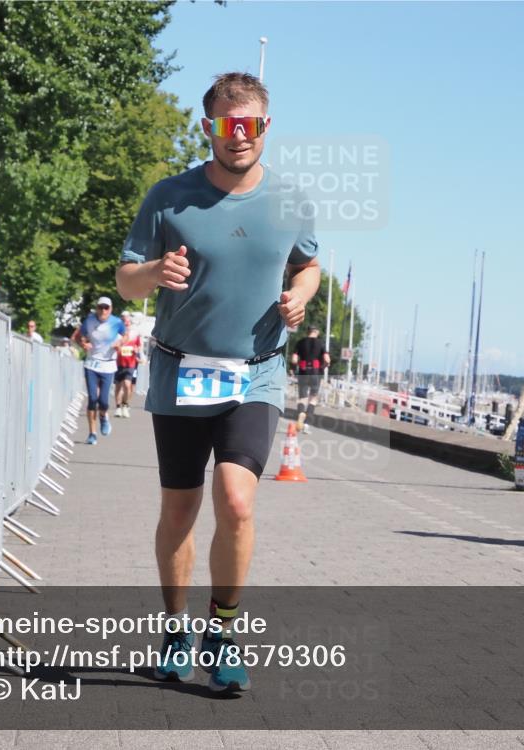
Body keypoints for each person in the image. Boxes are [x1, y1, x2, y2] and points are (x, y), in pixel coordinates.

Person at [116, 72, 319, 693]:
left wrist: (300, 297)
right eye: (228, 126)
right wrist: (155, 268)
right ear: (210, 127)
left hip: (255, 373)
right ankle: (176, 628)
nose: (239, 137)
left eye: (251, 125)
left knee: (236, 500)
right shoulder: (169, 197)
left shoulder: (291, 200)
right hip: (181, 370)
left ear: (265, 128)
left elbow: (309, 263)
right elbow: (126, 281)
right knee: (180, 508)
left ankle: (222, 632)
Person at [71, 296, 125, 445]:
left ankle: (103, 417)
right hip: (91, 364)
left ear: (111, 309)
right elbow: (76, 336)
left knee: (103, 401)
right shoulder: (89, 321)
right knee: (92, 399)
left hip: (108, 365)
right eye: (100, 307)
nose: (103, 310)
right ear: (97, 308)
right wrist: (83, 344)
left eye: (106, 308)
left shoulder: (117, 322)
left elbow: (125, 336)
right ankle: (92, 433)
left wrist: (119, 344)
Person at [291, 324, 329, 434]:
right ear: (316, 332)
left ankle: (301, 413)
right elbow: (327, 359)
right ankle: (307, 424)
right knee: (313, 399)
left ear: (308, 332)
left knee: (302, 398)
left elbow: (294, 359)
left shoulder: (300, 342)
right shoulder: (321, 343)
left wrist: (293, 369)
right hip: (316, 373)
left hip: (303, 372)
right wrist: (323, 367)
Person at [114, 311, 143, 418]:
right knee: (118, 386)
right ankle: (118, 407)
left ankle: (125, 405)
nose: (126, 323)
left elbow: (138, 346)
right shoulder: (117, 333)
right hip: (118, 362)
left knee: (127, 385)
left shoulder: (135, 334)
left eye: (127, 322)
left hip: (130, 363)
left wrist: (136, 350)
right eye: (124, 322)